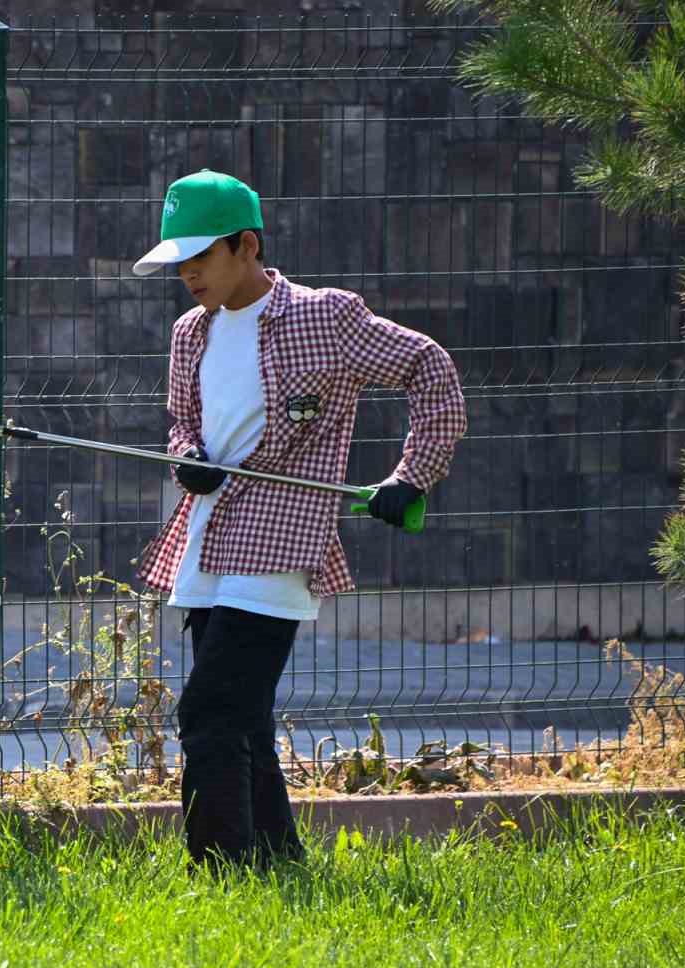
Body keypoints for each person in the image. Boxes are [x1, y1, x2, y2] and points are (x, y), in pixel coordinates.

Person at [133, 170, 467, 871]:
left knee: (209, 714)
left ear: (246, 245)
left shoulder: (326, 317)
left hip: (279, 545)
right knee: (243, 718)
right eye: (177, 262)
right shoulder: (189, 333)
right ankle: (279, 865)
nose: (186, 274)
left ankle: (221, 872)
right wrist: (187, 457)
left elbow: (429, 367)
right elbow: (182, 424)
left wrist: (412, 476)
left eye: (199, 258)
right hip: (204, 543)